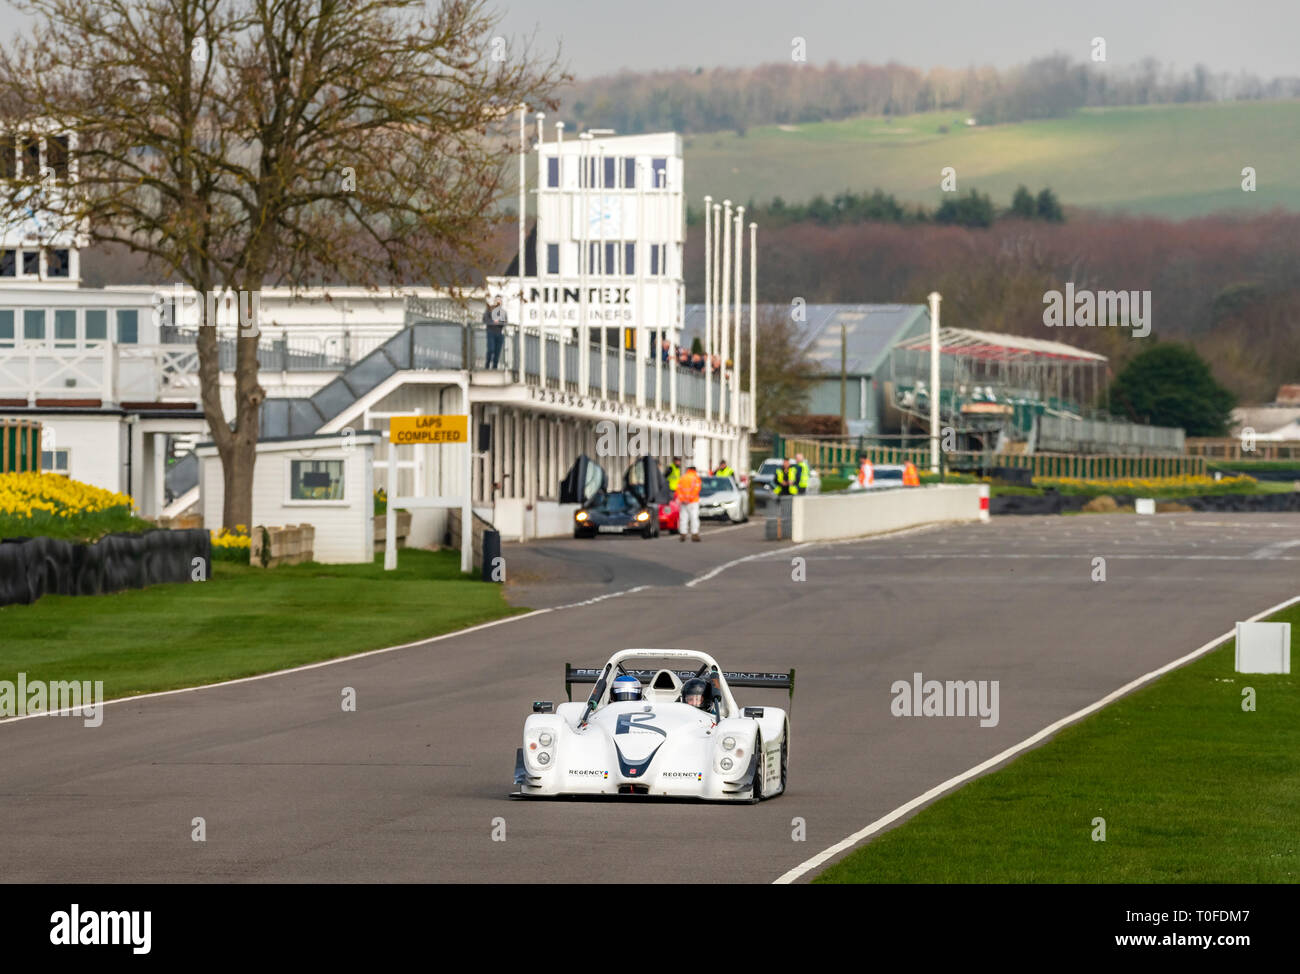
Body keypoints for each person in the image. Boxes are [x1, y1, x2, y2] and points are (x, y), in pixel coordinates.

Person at [675, 462, 702, 542]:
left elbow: (678, 489)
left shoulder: (683, 477)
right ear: (694, 470)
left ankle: (683, 534)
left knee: (683, 518)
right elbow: (696, 490)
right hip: (693, 502)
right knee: (694, 518)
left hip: (683, 502)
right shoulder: (696, 478)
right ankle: (694, 534)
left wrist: (682, 499)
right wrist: (689, 499)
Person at [482, 297, 505, 369]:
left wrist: (498, 322)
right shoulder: (488, 311)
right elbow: (486, 320)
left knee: (497, 352)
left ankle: (495, 367)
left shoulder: (502, 312)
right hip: (491, 333)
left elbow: (504, 322)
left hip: (499, 333)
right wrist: (495, 322)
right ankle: (487, 365)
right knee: (491, 349)